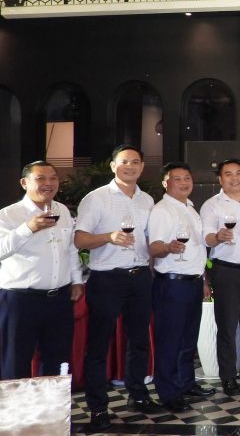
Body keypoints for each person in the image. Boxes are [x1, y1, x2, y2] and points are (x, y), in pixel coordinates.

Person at [75, 145, 160, 430]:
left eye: (135, 162)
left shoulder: (147, 200)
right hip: (107, 279)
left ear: (142, 167)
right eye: (124, 162)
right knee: (99, 345)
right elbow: (79, 240)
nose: (130, 166)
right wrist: (109, 237)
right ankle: (98, 408)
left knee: (139, 341)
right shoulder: (96, 198)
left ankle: (138, 394)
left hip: (140, 277)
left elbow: (149, 239)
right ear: (113, 166)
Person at [0, 161, 83, 380]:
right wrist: (28, 228)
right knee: (15, 363)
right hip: (20, 300)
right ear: (24, 183)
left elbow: (70, 248)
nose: (48, 183)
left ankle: (53, 404)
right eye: (40, 178)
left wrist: (76, 280)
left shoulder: (62, 210)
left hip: (59, 299)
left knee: (58, 362)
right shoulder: (8, 215)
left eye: (53, 178)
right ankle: (16, 405)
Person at [147, 162, 214, 413]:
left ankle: (186, 383)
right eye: (177, 179)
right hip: (172, 284)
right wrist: (168, 247)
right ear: (165, 183)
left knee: (188, 339)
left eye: (187, 178)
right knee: (170, 341)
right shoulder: (162, 210)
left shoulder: (190, 209)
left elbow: (197, 249)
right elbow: (154, 247)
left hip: (192, 282)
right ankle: (168, 393)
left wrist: (204, 280)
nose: (184, 182)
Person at [199, 159, 240, 396]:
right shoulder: (211, 205)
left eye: (239, 173)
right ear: (220, 179)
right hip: (226, 272)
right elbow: (206, 238)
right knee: (227, 326)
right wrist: (218, 236)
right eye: (228, 174)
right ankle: (228, 377)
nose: (234, 178)